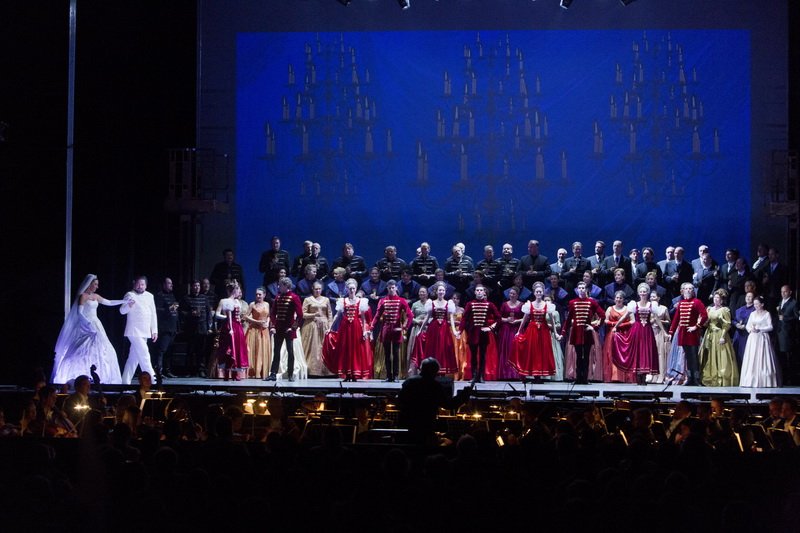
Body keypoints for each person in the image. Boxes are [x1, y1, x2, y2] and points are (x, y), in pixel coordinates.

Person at [52, 274, 125, 385]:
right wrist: (87, 324)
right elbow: (80, 313)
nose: (97, 286)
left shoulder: (96, 296)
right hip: (85, 324)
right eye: (95, 284)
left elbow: (109, 302)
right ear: (89, 284)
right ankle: (79, 375)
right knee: (83, 348)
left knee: (104, 349)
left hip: (96, 323)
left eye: (97, 284)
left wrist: (124, 301)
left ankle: (101, 375)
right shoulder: (83, 296)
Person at [398, 357, 473, 446]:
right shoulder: (434, 386)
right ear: (433, 372)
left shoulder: (408, 382)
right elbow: (448, 404)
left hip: (408, 425)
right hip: (426, 426)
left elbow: (400, 400)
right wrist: (463, 395)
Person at [322, 278, 372, 381]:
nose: (352, 290)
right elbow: (337, 315)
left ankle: (354, 373)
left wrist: (364, 331)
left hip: (356, 327)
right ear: (347, 289)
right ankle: (347, 373)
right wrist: (330, 328)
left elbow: (363, 318)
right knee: (345, 350)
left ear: (356, 289)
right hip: (345, 327)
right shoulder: (343, 301)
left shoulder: (361, 301)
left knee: (355, 350)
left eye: (353, 288)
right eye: (350, 288)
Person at [612, 283, 660, 385]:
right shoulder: (634, 304)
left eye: (644, 292)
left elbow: (656, 318)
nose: (643, 293)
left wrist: (664, 331)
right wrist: (616, 325)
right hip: (637, 330)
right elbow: (625, 316)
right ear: (638, 293)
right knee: (638, 351)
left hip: (647, 331)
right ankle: (638, 376)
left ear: (647, 293)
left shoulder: (652, 305)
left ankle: (644, 376)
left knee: (646, 351)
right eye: (641, 292)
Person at [511, 281, 560, 379]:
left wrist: (555, 333)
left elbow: (552, 321)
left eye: (540, 292)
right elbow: (525, 319)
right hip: (532, 330)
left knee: (542, 351)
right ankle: (533, 373)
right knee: (532, 351)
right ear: (534, 293)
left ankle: (539, 374)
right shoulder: (529, 305)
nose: (538, 293)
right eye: (537, 292)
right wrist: (519, 331)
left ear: (543, 293)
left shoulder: (547, 305)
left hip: (543, 330)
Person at [562, 281, 605, 384]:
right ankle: (578, 378)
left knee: (586, 356)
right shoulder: (572, 302)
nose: (581, 290)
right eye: (580, 288)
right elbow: (568, 320)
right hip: (576, 333)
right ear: (577, 290)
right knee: (578, 356)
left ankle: (585, 378)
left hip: (587, 333)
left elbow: (602, 315)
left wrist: (594, 327)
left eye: (583, 288)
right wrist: (563, 333)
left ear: (586, 290)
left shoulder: (592, 302)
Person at [371, 279, 413, 382]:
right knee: (387, 354)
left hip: (396, 330)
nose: (391, 289)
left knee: (395, 354)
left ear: (396, 288)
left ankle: (396, 375)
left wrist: (405, 327)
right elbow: (377, 315)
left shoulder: (401, 300)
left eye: (393, 288)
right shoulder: (383, 300)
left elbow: (410, 315)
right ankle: (389, 376)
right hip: (386, 330)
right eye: (389, 288)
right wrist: (371, 327)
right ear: (387, 288)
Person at [120, 276, 159, 385]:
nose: (140, 286)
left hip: (145, 331)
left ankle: (124, 383)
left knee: (133, 359)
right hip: (133, 331)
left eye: (142, 284)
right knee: (145, 355)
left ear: (146, 286)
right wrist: (128, 305)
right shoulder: (130, 295)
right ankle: (153, 381)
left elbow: (153, 313)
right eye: (138, 284)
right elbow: (122, 311)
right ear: (134, 284)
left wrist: (154, 330)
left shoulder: (150, 296)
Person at [668, 283, 708, 386]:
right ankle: (690, 378)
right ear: (683, 291)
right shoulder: (681, 303)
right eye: (686, 289)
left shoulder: (697, 302)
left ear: (693, 291)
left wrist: (696, 326)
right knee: (688, 357)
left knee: (694, 356)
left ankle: (697, 379)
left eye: (690, 289)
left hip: (693, 334)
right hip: (683, 333)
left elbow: (704, 315)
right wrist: (671, 332)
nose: (688, 290)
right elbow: (676, 319)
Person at [460, 284, 501, 383]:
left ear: (484, 292)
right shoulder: (470, 304)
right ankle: (474, 376)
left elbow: (499, 318)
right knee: (473, 356)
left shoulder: (489, 304)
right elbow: (464, 318)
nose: (479, 292)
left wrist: (490, 328)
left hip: (483, 334)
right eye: (477, 290)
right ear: (475, 292)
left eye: (481, 290)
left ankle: (481, 376)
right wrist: (460, 330)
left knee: (483, 356)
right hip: (473, 333)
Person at [266, 277, 304, 382]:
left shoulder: (294, 297)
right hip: (279, 328)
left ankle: (290, 374)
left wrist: (293, 328)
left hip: (288, 329)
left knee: (290, 351)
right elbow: (273, 313)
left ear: (286, 286)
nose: (278, 287)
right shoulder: (278, 297)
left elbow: (300, 315)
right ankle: (273, 374)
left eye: (280, 285)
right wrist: (273, 326)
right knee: (276, 351)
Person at [698, 289, 739, 387]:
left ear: (722, 300)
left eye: (718, 298)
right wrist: (702, 322)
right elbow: (706, 323)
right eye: (715, 297)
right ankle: (710, 377)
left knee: (721, 355)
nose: (716, 299)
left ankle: (721, 378)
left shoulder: (724, 310)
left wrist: (723, 336)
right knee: (709, 355)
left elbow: (727, 324)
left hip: (720, 334)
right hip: (710, 334)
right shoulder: (709, 309)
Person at [739, 295, 780, 387]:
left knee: (762, 357)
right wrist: (751, 329)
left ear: (762, 304)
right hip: (753, 338)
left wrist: (760, 329)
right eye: (755, 304)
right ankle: (750, 379)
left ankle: (764, 380)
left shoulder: (767, 314)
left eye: (757, 304)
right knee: (752, 358)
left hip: (762, 338)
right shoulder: (752, 314)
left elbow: (770, 327)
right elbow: (748, 325)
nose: (756, 306)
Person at [421, 281, 459, 376]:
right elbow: (427, 317)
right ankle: (433, 371)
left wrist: (454, 331)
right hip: (433, 328)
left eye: (443, 290)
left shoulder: (449, 303)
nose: (441, 292)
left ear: (445, 292)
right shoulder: (431, 302)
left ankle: (442, 371)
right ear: (436, 291)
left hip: (444, 328)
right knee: (433, 348)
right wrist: (421, 329)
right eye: (439, 290)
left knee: (444, 349)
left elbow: (451, 318)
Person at [213, 280, 249, 381]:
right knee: (228, 348)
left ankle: (235, 372)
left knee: (237, 348)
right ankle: (226, 372)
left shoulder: (237, 302)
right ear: (234, 290)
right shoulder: (224, 301)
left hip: (238, 327)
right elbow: (217, 314)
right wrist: (226, 317)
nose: (239, 292)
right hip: (228, 327)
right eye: (238, 290)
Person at [180, 279, 212, 377]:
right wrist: (191, 313)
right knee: (190, 350)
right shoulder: (186, 298)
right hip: (191, 328)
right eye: (195, 286)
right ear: (192, 287)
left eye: (198, 286)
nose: (197, 287)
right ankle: (189, 371)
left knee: (201, 351)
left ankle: (201, 370)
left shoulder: (204, 298)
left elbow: (208, 313)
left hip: (202, 327)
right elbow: (181, 312)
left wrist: (209, 326)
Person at [301, 281, 334, 377]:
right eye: (316, 289)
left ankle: (326, 370)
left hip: (324, 326)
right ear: (312, 289)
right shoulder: (308, 300)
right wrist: (313, 315)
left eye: (319, 289)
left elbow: (329, 314)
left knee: (324, 347)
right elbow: (303, 314)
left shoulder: (326, 299)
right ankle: (312, 370)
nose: (318, 291)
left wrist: (330, 326)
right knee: (314, 347)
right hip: (312, 326)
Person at [602, 291, 635, 383]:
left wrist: (622, 325)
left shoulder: (628, 309)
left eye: (620, 298)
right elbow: (605, 320)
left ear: (623, 299)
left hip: (625, 334)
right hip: (612, 333)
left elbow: (633, 321)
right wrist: (614, 324)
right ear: (614, 299)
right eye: (617, 298)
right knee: (611, 353)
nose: (618, 299)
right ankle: (614, 376)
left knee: (624, 355)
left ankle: (625, 376)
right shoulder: (610, 308)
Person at [152, 277, 179, 380]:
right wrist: (169, 308)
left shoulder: (172, 295)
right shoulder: (159, 296)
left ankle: (167, 371)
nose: (171, 285)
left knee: (169, 351)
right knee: (161, 350)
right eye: (169, 283)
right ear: (164, 285)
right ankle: (158, 371)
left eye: (171, 283)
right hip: (164, 328)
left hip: (173, 328)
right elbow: (157, 310)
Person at [244, 287, 272, 379]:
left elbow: (268, 316)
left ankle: (261, 371)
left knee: (262, 350)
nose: (258, 296)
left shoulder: (267, 304)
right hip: (254, 330)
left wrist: (267, 322)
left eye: (260, 294)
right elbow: (246, 317)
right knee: (255, 350)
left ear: (264, 295)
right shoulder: (252, 304)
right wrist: (257, 322)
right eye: (256, 294)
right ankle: (253, 371)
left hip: (264, 330)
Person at [496, 285, 524, 379]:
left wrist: (517, 321)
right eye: (510, 293)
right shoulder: (504, 304)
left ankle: (516, 374)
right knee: (505, 350)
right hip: (506, 330)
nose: (511, 295)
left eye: (513, 294)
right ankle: (504, 374)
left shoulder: (521, 305)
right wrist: (506, 319)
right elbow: (499, 318)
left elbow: (526, 318)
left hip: (517, 329)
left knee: (515, 350)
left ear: (517, 295)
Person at [775, 285, 798, 385]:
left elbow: (797, 318)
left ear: (790, 292)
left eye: (785, 292)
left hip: (788, 334)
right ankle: (782, 378)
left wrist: (785, 318)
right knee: (781, 357)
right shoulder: (780, 302)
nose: (783, 293)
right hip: (779, 333)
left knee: (788, 357)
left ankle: (790, 379)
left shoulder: (794, 303)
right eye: (781, 292)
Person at [407, 286, 431, 374]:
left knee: (427, 349)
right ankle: (414, 371)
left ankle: (428, 371)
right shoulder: (415, 304)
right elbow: (410, 317)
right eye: (420, 292)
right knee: (415, 349)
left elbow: (433, 316)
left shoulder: (431, 303)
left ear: (427, 293)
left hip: (428, 329)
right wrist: (417, 321)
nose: (422, 293)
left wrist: (426, 321)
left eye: (423, 292)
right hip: (417, 328)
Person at [732, 291, 756, 369]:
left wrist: (745, 326)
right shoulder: (740, 309)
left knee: (746, 354)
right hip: (738, 334)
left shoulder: (755, 309)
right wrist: (736, 324)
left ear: (753, 298)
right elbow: (733, 320)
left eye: (750, 296)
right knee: (736, 353)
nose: (748, 298)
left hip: (748, 334)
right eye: (747, 296)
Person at [450, 292, 469, 380]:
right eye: (454, 298)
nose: (455, 300)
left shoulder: (462, 310)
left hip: (460, 332)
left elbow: (466, 321)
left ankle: (461, 373)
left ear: (459, 300)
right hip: (451, 330)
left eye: (457, 298)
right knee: (452, 351)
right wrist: (453, 322)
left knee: (461, 351)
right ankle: (451, 374)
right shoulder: (449, 309)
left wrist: (460, 323)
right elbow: (446, 321)